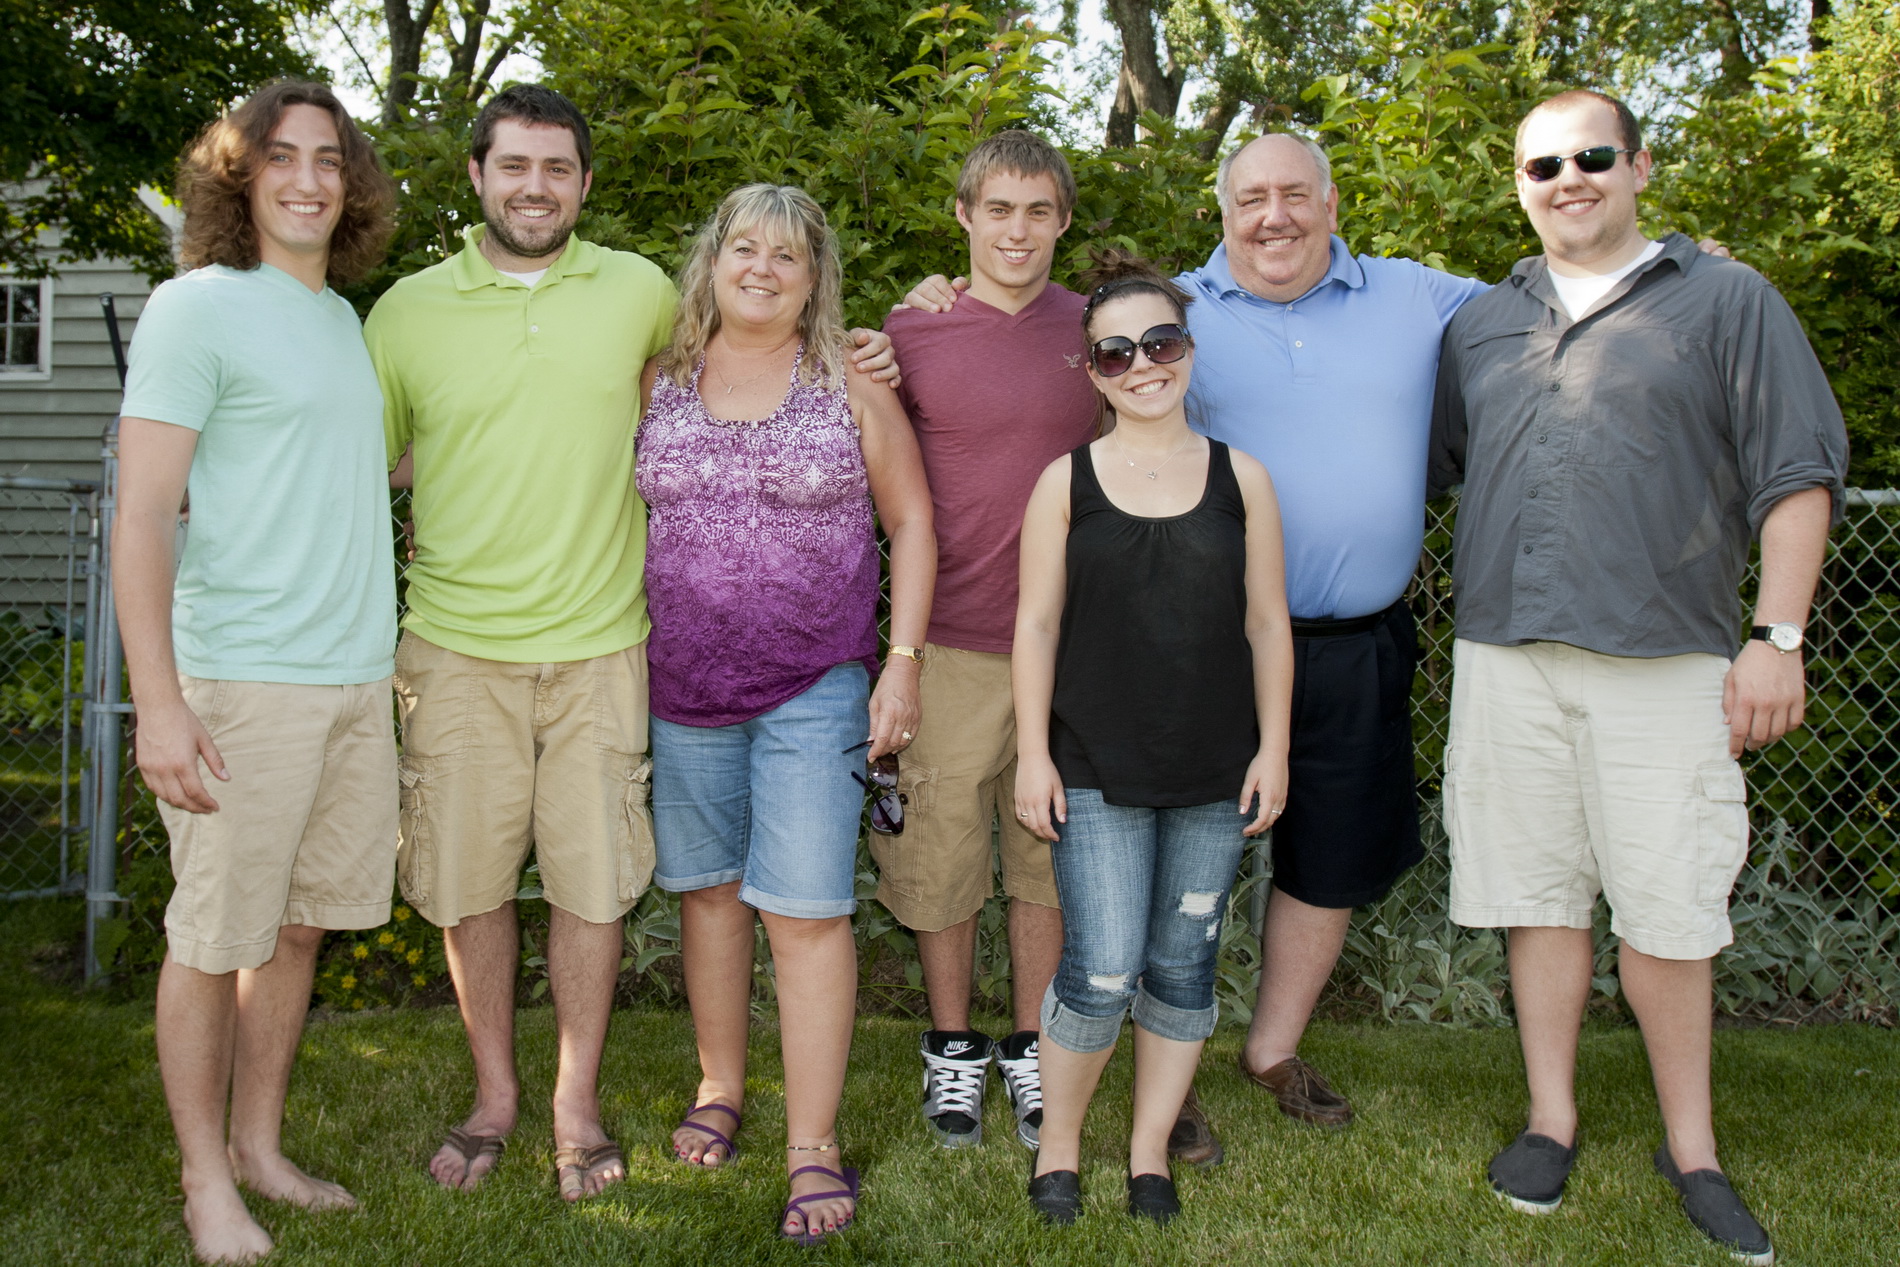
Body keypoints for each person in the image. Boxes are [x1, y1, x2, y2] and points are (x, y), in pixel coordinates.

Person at [369, 86, 902, 1203]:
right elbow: (380, 454)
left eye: (557, 168)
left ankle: (586, 1106)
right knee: (474, 885)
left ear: (584, 183)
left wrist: (890, 338)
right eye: (514, 166)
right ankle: (501, 1097)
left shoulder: (638, 294)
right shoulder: (405, 312)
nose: (535, 187)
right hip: (465, 645)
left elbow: (775, 353)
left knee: (598, 886)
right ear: (476, 174)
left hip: (612, 649)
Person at [1429, 89, 1847, 1266]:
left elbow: (1797, 473)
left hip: (1664, 659)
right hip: (1505, 655)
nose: (1568, 178)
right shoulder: (1481, 322)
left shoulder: (1726, 300)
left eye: (1592, 156)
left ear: (1639, 167)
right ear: (1517, 183)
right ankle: (1548, 1119)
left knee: (1668, 909)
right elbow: (1437, 458)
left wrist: (1777, 636)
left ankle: (1692, 1148)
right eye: (1542, 164)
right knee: (1538, 896)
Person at [115, 81, 398, 1263]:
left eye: (328, 159)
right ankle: (203, 1183)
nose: (307, 179)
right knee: (212, 936)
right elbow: (143, 515)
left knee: (294, 931)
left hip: (353, 677)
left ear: (353, 184)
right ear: (238, 178)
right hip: (242, 678)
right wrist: (160, 704)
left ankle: (259, 1149)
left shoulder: (341, 320)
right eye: (279, 157)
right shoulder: (195, 308)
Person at [639, 183, 935, 1245]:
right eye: (744, 248)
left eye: (787, 256)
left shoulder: (848, 382)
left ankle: (812, 1142)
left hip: (815, 687)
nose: (762, 269)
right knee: (710, 896)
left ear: (815, 281)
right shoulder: (658, 379)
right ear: (712, 261)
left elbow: (913, 522)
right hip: (683, 686)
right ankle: (721, 1085)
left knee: (806, 913)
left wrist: (901, 665)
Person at [1013, 253, 1294, 1226]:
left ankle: (1147, 1152)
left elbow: (1268, 623)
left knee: (1181, 965)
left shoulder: (1241, 478)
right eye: (1116, 352)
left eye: (1160, 343)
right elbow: (1036, 624)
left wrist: (1274, 748)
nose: (1142, 365)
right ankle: (1058, 1146)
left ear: (1189, 350)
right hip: (1093, 763)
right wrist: (1034, 753)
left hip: (1215, 767)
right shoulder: (1065, 481)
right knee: (1099, 968)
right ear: (1093, 371)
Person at [875, 130, 1093, 1155]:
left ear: (1062, 221)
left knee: (1045, 855)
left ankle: (1033, 1045)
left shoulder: (1097, 332)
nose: (1018, 230)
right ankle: (953, 1043)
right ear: (964, 215)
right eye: (998, 209)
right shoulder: (906, 333)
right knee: (941, 849)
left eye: (1038, 211)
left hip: (1070, 647)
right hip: (950, 642)